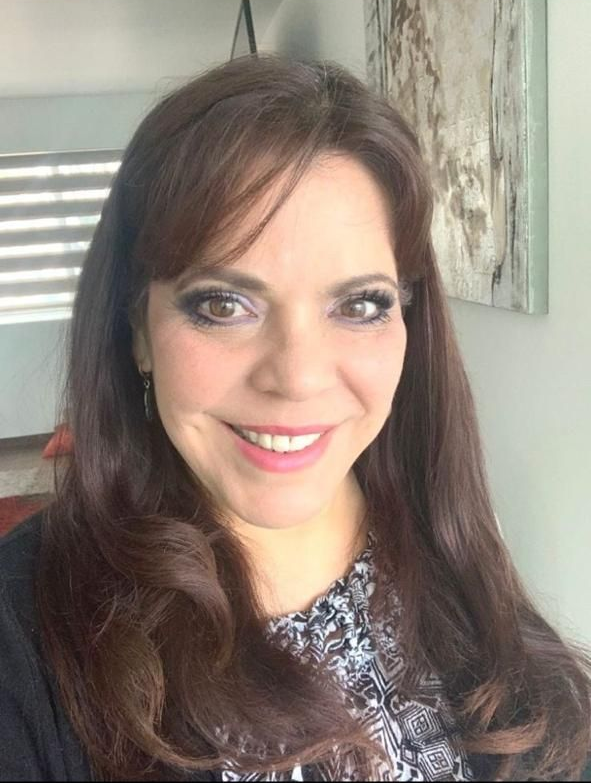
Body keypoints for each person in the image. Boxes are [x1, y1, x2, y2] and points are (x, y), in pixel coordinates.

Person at [0, 53, 589, 783]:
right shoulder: (25, 627)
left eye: (359, 304)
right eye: (223, 304)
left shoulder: (446, 532)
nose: (299, 377)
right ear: (139, 330)